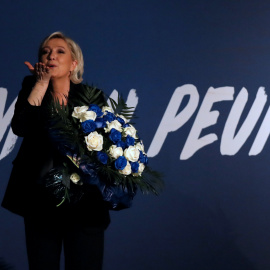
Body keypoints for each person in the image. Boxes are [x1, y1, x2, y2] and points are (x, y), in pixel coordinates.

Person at [2, 32, 110, 270]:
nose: (51, 55)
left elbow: (103, 146)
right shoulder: (31, 87)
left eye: (60, 51)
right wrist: (40, 84)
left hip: (84, 205)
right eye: (45, 51)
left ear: (74, 64)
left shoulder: (93, 96)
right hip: (41, 203)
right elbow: (21, 127)